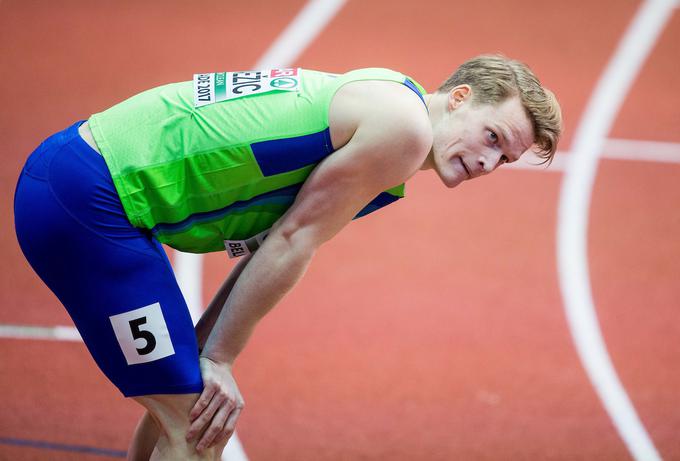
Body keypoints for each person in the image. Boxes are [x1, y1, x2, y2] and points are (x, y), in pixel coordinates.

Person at [13, 54, 562, 460]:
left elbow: (273, 239)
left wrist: (209, 347)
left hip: (84, 182)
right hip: (89, 201)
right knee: (201, 427)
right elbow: (293, 239)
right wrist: (220, 360)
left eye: (504, 158)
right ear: (460, 97)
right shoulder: (404, 132)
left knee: (185, 409)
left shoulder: (394, 98)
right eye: (492, 136)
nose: (489, 162)